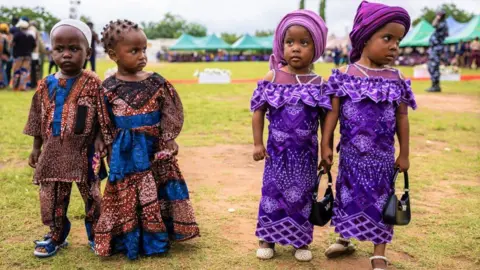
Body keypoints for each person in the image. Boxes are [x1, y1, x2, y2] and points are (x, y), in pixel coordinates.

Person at [321, 2, 416, 270]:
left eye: (398, 40)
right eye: (387, 38)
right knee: (347, 195)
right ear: (364, 38)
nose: (394, 46)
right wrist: (325, 145)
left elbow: (402, 117)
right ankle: (344, 238)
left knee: (382, 199)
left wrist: (404, 153)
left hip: (382, 157)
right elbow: (332, 114)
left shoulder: (396, 78)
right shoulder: (343, 76)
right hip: (350, 155)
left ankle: (378, 251)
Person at [94, 19, 200, 260]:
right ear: (113, 55)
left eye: (144, 49)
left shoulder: (157, 82)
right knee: (129, 192)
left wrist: (169, 138)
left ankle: (159, 236)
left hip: (155, 146)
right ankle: (128, 236)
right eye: (134, 51)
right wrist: (104, 141)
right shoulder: (107, 88)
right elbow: (104, 119)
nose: (142, 55)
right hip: (125, 152)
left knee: (158, 189)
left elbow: (169, 112)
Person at [23, 19, 113, 258]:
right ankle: (56, 235)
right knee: (54, 198)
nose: (66, 55)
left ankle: (97, 235)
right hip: (53, 153)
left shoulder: (94, 83)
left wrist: (101, 139)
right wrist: (35, 148)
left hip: (85, 153)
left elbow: (104, 116)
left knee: (93, 197)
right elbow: (36, 117)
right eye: (59, 49)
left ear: (88, 52)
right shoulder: (45, 85)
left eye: (74, 49)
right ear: (51, 50)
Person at [251, 10, 330, 262]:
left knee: (304, 195)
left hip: (306, 157)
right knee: (272, 194)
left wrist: (326, 146)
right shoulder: (272, 77)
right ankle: (267, 238)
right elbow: (257, 110)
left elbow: (328, 118)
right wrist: (257, 143)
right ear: (281, 45)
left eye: (304, 43)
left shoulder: (319, 83)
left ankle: (301, 240)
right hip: (277, 155)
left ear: (315, 47)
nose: (296, 48)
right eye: (290, 42)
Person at [426, 10, 448, 92]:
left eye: (438, 15)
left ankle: (435, 86)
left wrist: (437, 18)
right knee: (431, 66)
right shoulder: (442, 23)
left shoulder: (443, 24)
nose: (437, 16)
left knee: (433, 67)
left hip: (437, 48)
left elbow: (433, 24)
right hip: (434, 48)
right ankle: (434, 85)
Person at [11, 19, 36, 91]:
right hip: (28, 56)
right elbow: (34, 45)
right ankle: (23, 87)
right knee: (25, 72)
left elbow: (12, 44)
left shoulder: (17, 35)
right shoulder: (30, 36)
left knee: (17, 71)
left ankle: (15, 86)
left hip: (18, 56)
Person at [0, 23, 11, 88]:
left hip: (3, 55)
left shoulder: (2, 36)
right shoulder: (7, 36)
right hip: (7, 55)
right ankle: (5, 83)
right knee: (4, 69)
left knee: (2, 69)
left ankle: (5, 83)